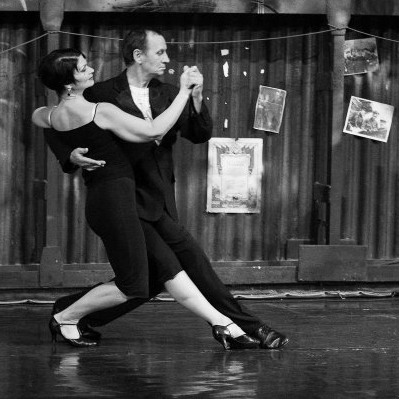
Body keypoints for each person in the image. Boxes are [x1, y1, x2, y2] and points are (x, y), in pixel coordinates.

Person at [46, 28, 289, 349]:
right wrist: (69, 154)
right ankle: (243, 327)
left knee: (161, 275)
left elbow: (199, 133)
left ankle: (71, 312)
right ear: (138, 56)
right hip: (123, 199)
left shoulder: (170, 93)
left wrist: (196, 97)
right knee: (169, 271)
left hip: (158, 197)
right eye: (160, 52)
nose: (167, 58)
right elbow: (54, 121)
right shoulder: (100, 93)